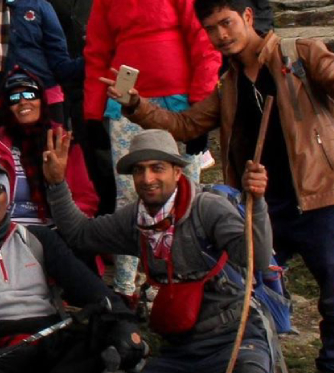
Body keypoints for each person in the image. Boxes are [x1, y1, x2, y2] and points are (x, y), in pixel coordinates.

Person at [122, 0, 334, 373]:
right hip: (262, 205)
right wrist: (136, 105)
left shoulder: (302, 53)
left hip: (323, 197)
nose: (221, 35)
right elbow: (186, 124)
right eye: (211, 29)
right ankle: (260, 355)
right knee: (249, 286)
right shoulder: (229, 85)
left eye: (226, 23)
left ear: (247, 16)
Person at [45, 128, 274, 373]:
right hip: (181, 349)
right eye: (139, 170)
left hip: (235, 338)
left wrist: (258, 201)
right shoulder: (135, 219)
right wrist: (57, 184)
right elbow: (80, 234)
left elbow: (256, 259)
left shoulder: (207, 209)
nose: (147, 178)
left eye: (157, 168)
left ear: (177, 172)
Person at [82, 0, 222, 296]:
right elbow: (97, 53)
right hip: (126, 107)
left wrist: (201, 111)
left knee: (182, 194)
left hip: (179, 106)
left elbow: (203, 44)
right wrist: (93, 113)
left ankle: (180, 281)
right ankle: (127, 285)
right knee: (131, 193)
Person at [0, 158, 145, 373]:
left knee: (108, 341)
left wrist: (123, 320)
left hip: (53, 342)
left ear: (7, 196)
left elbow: (88, 286)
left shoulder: (40, 238)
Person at [41, 0, 115, 207]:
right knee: (86, 145)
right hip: (67, 74)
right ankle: (101, 207)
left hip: (104, 70)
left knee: (109, 142)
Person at [0, 70, 100, 225]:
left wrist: (70, 230)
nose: (22, 101)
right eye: (14, 98)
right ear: (7, 107)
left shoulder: (63, 142)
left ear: (42, 100)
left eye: (30, 95)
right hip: (5, 232)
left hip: (58, 231)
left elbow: (87, 200)